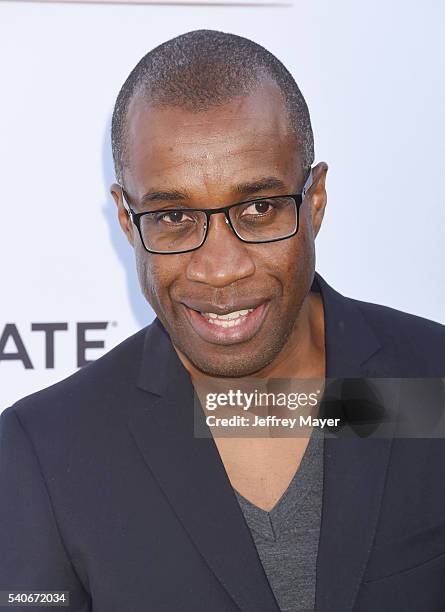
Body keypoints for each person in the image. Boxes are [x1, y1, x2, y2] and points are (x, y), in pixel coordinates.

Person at [1, 29, 444, 612]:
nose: (220, 268)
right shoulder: (45, 450)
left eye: (258, 208)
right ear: (128, 222)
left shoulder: (429, 383)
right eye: (174, 216)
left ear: (314, 200)